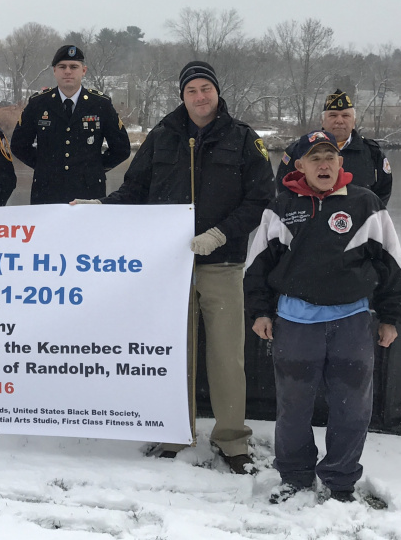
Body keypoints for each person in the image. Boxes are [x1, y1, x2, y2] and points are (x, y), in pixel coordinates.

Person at [88, 60, 273, 473]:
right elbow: (135, 189)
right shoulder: (163, 136)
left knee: (227, 357)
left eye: (206, 88)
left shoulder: (243, 138)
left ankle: (231, 439)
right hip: (169, 266)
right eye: (192, 91)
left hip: (221, 262)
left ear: (217, 92)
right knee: (175, 353)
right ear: (182, 96)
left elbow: (260, 198)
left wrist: (221, 233)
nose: (200, 97)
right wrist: (100, 209)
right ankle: (175, 431)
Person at [245, 129, 401, 506]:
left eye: (330, 157)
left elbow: (393, 264)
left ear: (340, 163)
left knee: (353, 408)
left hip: (351, 323)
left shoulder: (367, 204)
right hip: (295, 325)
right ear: (300, 166)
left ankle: (340, 481)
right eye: (315, 158)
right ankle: (296, 476)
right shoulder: (280, 206)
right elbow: (256, 267)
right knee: (293, 408)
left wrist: (390, 316)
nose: (324, 165)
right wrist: (259, 312)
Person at [10, 44, 130, 204]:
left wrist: (94, 169)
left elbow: (122, 148)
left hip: (88, 192)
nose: (67, 71)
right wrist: (44, 166)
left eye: (74, 67)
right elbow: (19, 145)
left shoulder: (101, 104)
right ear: (54, 71)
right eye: (62, 66)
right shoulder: (38, 104)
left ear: (84, 70)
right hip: (46, 192)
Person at [275, 90, 392, 205]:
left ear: (354, 121)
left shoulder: (372, 152)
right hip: (309, 221)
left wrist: (366, 215)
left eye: (346, 115)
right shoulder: (298, 150)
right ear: (322, 121)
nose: (339, 121)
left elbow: (383, 192)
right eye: (333, 115)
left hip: (358, 221)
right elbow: (283, 189)